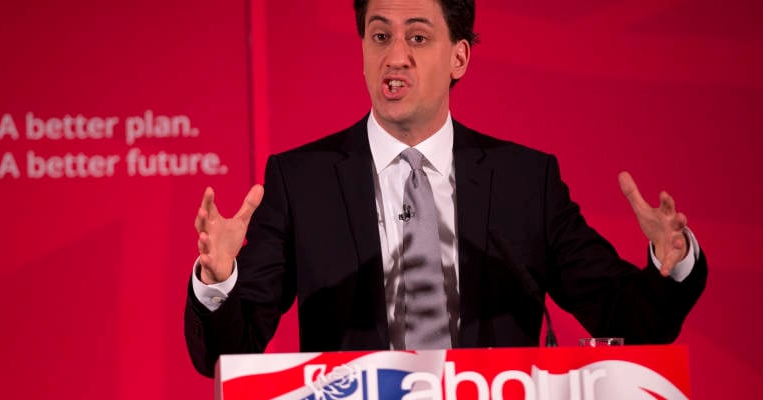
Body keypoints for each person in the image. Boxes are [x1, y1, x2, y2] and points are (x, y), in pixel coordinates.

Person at [184, 0, 707, 377]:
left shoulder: (525, 182)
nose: (395, 57)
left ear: (459, 57)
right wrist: (218, 279)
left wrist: (672, 259)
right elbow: (225, 354)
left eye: (417, 36)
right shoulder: (303, 181)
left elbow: (630, 322)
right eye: (380, 35)